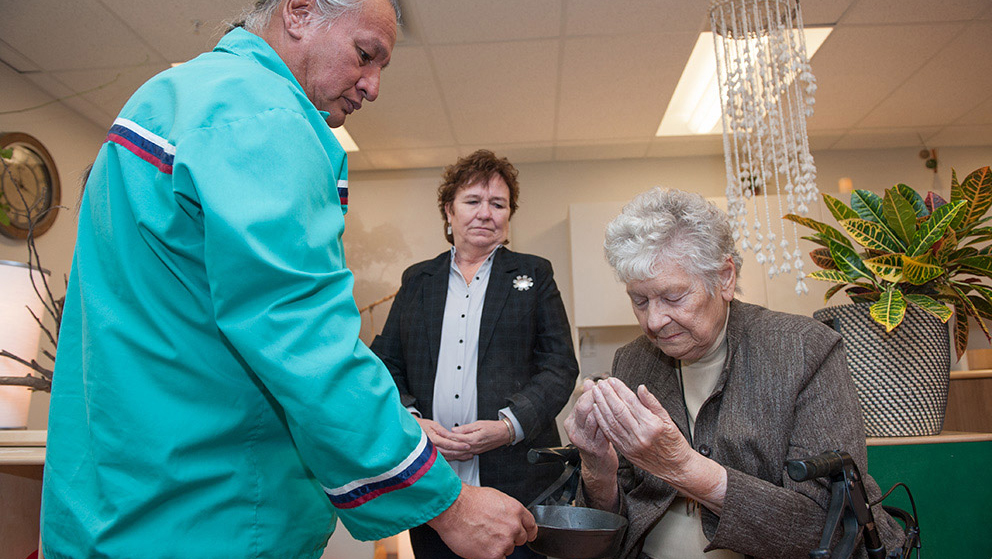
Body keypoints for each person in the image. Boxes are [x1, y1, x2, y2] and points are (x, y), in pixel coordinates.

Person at [41, 2, 536, 558]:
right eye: (364, 55)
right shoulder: (265, 117)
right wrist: (447, 502)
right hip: (211, 513)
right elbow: (305, 340)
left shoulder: (167, 98)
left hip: (118, 502)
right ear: (299, 13)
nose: (372, 86)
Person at [564, 188, 905, 559]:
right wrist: (598, 469)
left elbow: (827, 527)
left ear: (725, 278)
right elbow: (611, 530)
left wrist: (686, 469)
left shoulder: (804, 350)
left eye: (674, 297)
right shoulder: (633, 361)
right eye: (639, 300)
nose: (654, 320)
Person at [370, 150, 579, 558]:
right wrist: (413, 421)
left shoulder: (534, 274)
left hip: (518, 481)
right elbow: (386, 364)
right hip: (435, 481)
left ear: (509, 215)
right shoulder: (417, 280)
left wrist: (508, 426)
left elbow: (559, 366)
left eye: (498, 204)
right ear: (449, 211)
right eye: (473, 201)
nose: (486, 213)